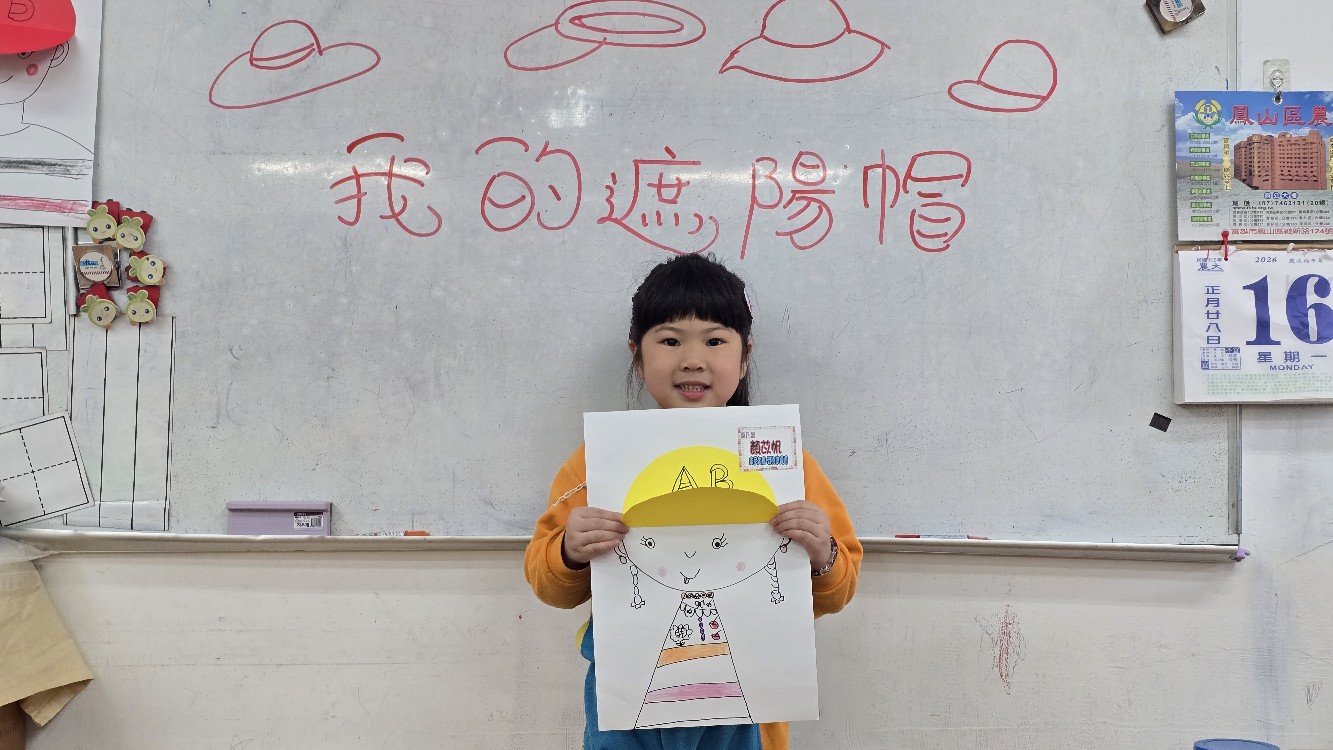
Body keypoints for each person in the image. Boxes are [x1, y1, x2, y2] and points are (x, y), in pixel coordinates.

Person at [524, 254, 862, 750]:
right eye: (670, 340)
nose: (692, 359)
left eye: (715, 340)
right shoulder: (597, 463)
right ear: (637, 354)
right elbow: (547, 583)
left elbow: (838, 590)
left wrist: (822, 554)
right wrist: (568, 552)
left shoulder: (787, 464)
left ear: (745, 356)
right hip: (628, 695)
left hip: (747, 702)